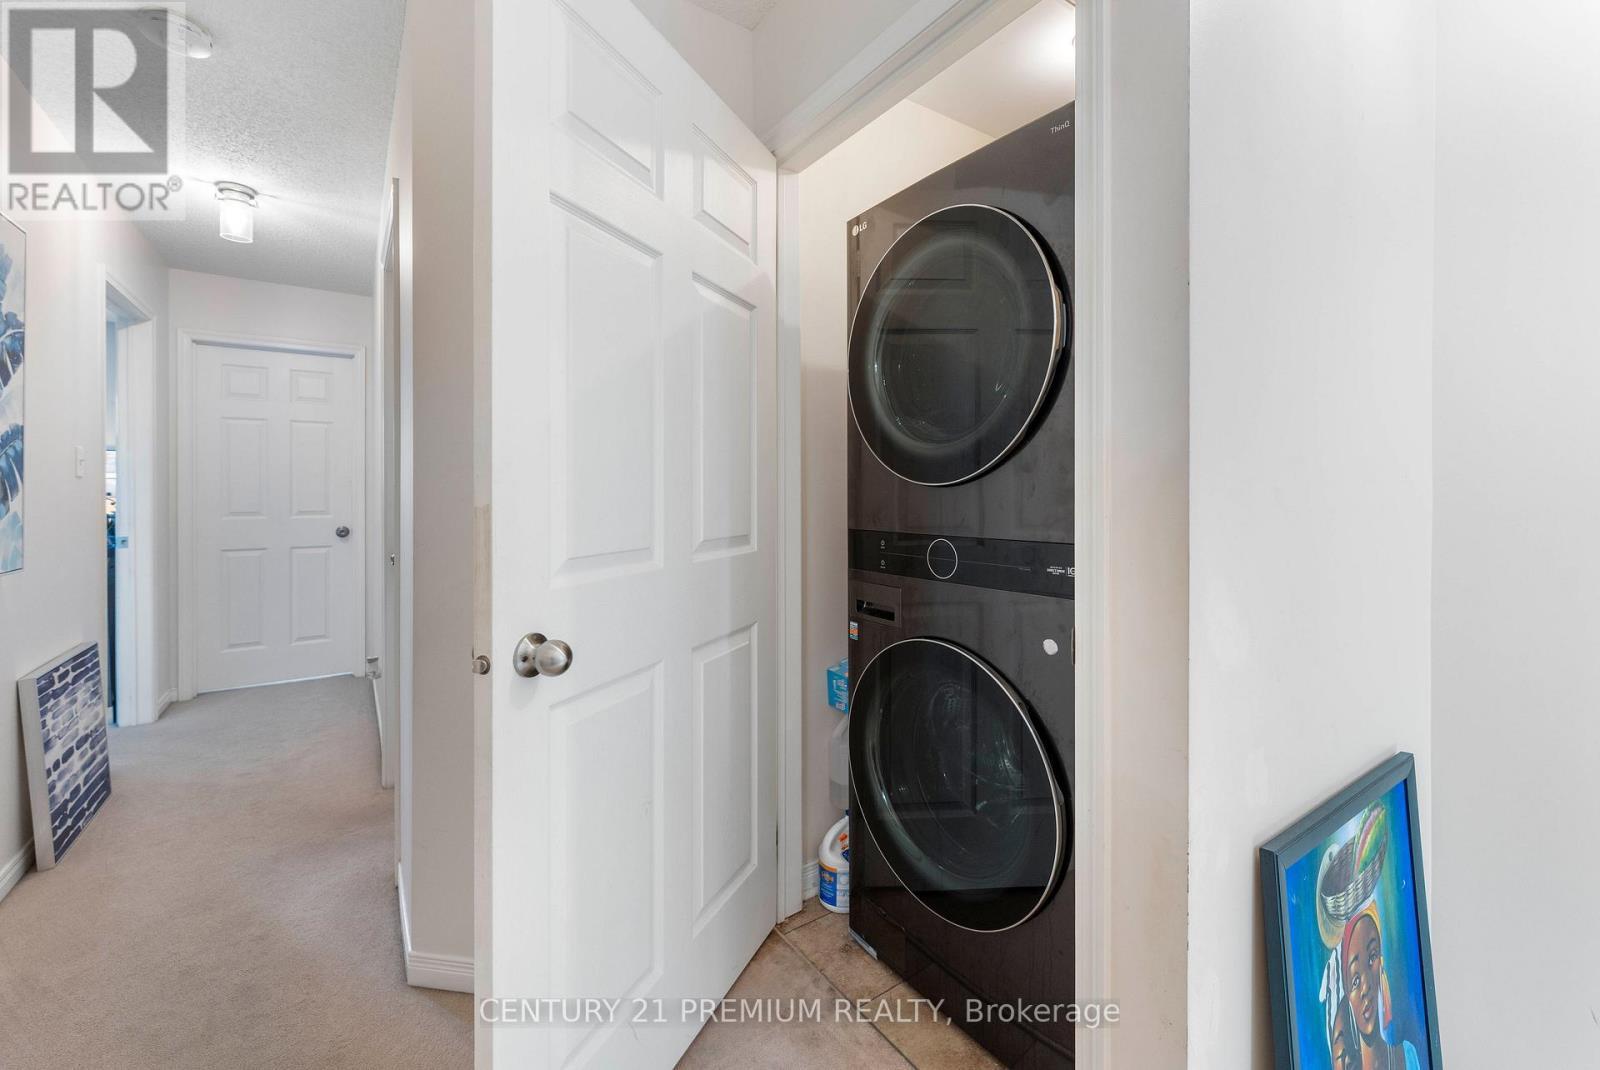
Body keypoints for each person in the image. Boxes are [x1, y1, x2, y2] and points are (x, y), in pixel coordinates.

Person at [1342, 906, 1423, 1070]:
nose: (1365, 987)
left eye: (1372, 957)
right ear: (1347, 995)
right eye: (1356, 980)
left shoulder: (1408, 1056)